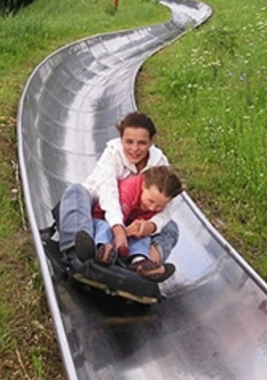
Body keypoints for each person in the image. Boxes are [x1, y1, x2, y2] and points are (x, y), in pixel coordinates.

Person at [58, 111, 180, 281]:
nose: (135, 149)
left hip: (137, 219)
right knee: (75, 192)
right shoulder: (112, 154)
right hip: (101, 207)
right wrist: (118, 229)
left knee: (171, 227)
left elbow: (167, 206)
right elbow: (109, 193)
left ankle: (146, 263)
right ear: (121, 139)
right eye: (129, 142)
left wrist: (151, 226)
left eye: (142, 143)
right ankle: (78, 250)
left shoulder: (159, 164)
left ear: (151, 142)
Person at [74, 165, 183, 282]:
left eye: (159, 206)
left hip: (128, 228)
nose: (152, 208)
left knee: (143, 237)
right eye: (150, 201)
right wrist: (120, 235)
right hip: (106, 219)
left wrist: (141, 229)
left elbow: (154, 221)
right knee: (104, 229)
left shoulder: (157, 203)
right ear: (143, 186)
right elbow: (115, 216)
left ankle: (140, 262)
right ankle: (102, 249)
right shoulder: (129, 190)